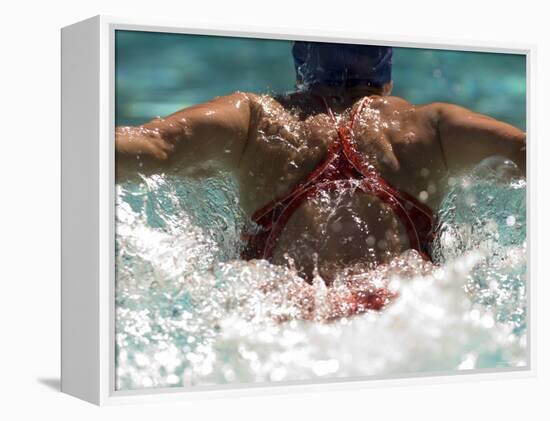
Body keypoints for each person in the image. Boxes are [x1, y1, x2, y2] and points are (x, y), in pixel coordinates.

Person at [115, 42, 526, 319]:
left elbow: (151, 147)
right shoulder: (430, 127)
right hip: (398, 312)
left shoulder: (256, 119)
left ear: (301, 67)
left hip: (287, 312)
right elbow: (528, 153)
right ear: (387, 76)